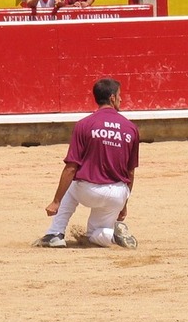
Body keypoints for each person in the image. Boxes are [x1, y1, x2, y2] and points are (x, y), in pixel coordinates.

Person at [34, 77, 139, 249]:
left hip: (88, 191)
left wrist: (56, 201)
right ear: (112, 98)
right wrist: (123, 204)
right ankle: (111, 234)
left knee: (70, 185)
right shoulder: (130, 128)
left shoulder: (84, 125)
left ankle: (55, 233)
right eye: (120, 95)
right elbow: (130, 173)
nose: (121, 99)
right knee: (96, 234)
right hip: (117, 193)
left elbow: (71, 167)